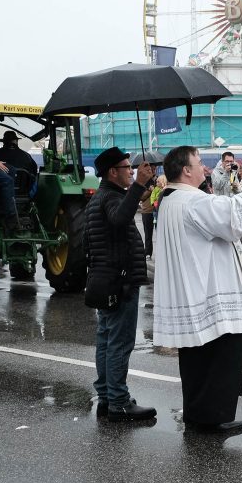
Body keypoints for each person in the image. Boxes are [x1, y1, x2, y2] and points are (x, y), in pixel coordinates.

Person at [152, 145, 242, 434]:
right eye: (199, 163)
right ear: (185, 170)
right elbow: (234, 214)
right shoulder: (192, 201)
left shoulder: (172, 199)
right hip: (211, 293)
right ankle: (213, 418)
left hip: (193, 290)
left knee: (196, 360)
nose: (204, 168)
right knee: (218, 358)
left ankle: (197, 414)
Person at [85, 147, 156, 422]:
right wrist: (138, 185)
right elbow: (120, 218)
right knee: (119, 343)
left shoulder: (99, 198)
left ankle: (106, 395)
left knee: (106, 340)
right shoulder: (110, 198)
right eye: (127, 167)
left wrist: (139, 189)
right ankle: (118, 401)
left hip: (105, 280)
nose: (131, 170)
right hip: (120, 281)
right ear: (113, 172)